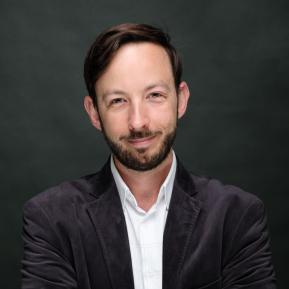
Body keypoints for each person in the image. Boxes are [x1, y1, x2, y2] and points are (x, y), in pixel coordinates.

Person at [21, 23, 276, 289]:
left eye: (155, 95)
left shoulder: (237, 216)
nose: (138, 122)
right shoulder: (51, 220)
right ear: (94, 112)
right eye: (118, 101)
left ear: (181, 99)